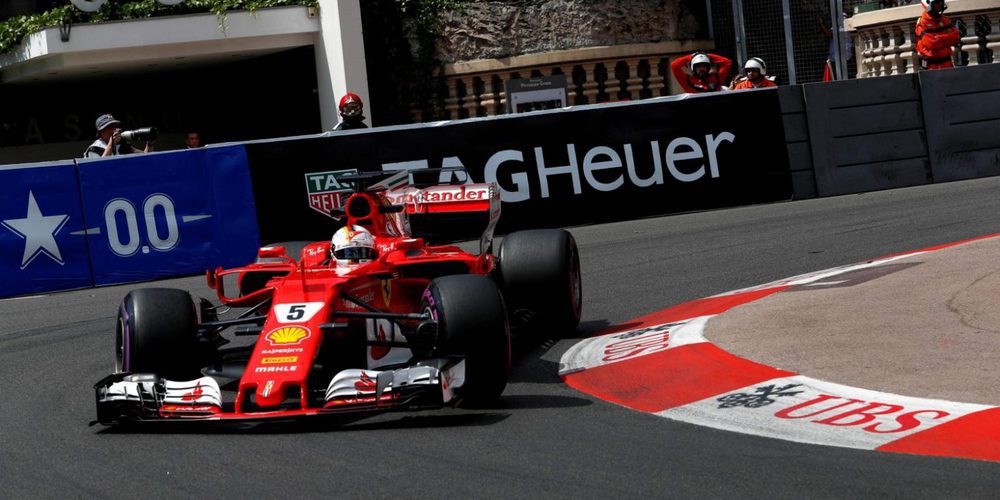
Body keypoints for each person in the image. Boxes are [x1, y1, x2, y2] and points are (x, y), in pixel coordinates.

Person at [915, 0, 960, 70]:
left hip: (948, 63)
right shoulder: (922, 23)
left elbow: (956, 37)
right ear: (928, 5)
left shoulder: (944, 19)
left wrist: (938, 38)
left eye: (941, 2)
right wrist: (947, 39)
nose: (940, 4)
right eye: (937, 2)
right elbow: (931, 43)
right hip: (932, 66)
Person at [83, 114, 153, 158]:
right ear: (101, 131)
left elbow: (145, 156)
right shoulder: (94, 149)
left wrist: (150, 143)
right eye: (110, 127)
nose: (114, 129)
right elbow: (100, 168)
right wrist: (111, 143)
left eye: (115, 126)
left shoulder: (121, 144)